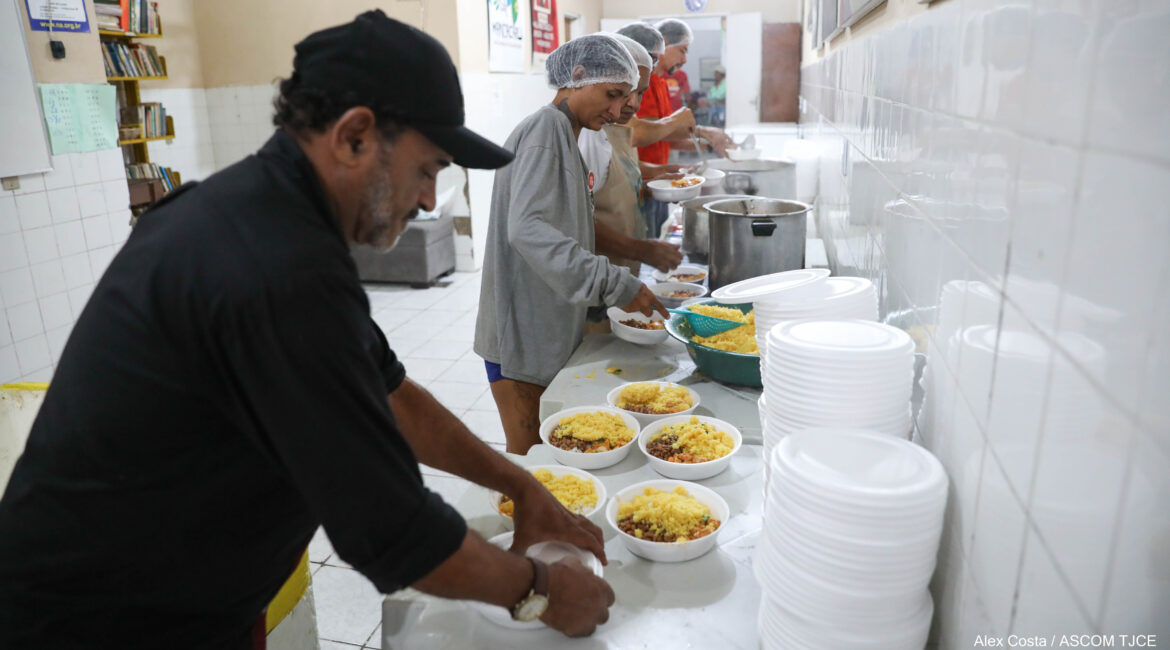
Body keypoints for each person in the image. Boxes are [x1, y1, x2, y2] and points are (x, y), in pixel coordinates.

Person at [0, 12, 615, 648]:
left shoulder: (267, 218)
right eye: (429, 169)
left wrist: (518, 483)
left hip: (188, 598)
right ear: (353, 137)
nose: (431, 200)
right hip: (97, 623)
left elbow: (392, 394)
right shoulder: (270, 266)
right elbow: (391, 530)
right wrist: (540, 589)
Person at [475, 34, 669, 454]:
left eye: (626, 97)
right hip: (519, 338)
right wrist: (614, 282)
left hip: (542, 325)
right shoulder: (545, 131)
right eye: (612, 94)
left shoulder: (565, 132)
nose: (619, 110)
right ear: (579, 77)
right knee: (531, 462)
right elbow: (527, 230)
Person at [578, 34, 684, 285]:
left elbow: (610, 184)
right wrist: (641, 249)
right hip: (598, 279)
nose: (633, 104)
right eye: (622, 92)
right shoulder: (588, 137)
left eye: (640, 93)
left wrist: (651, 185)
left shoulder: (613, 129)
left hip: (621, 275)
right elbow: (579, 221)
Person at [636, 18, 736, 238]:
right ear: (663, 43)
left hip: (659, 182)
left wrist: (710, 144)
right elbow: (647, 132)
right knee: (648, 246)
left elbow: (666, 136)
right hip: (641, 183)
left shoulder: (661, 83)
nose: (684, 59)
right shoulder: (646, 83)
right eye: (682, 51)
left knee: (659, 239)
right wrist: (702, 131)